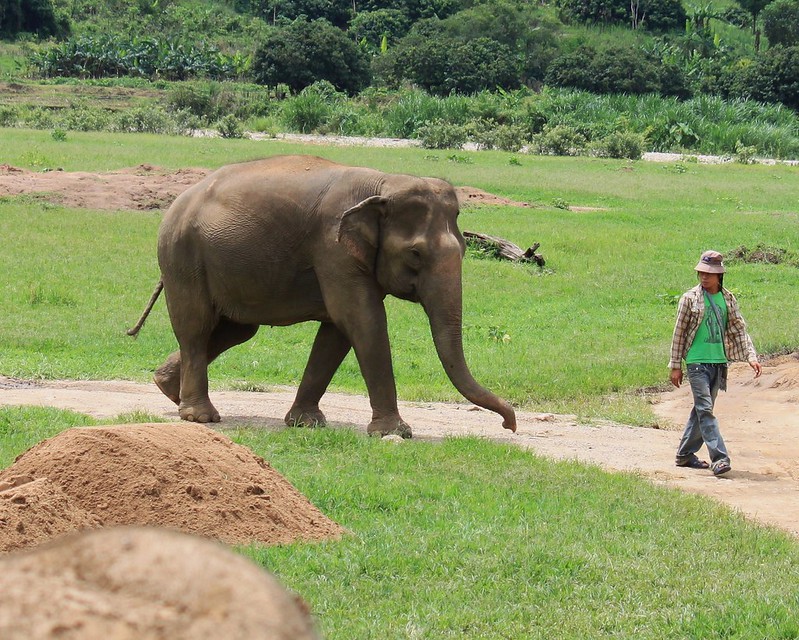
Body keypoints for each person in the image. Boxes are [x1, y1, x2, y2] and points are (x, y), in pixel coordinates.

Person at [668, 250, 762, 476]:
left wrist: (751, 356)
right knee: (705, 409)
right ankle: (719, 458)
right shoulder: (689, 298)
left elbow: (738, 330)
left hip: (719, 362)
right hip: (696, 362)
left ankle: (684, 454)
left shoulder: (728, 299)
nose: (704, 277)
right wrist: (675, 365)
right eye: (701, 272)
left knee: (701, 411)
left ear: (719, 275)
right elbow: (679, 333)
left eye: (709, 274)